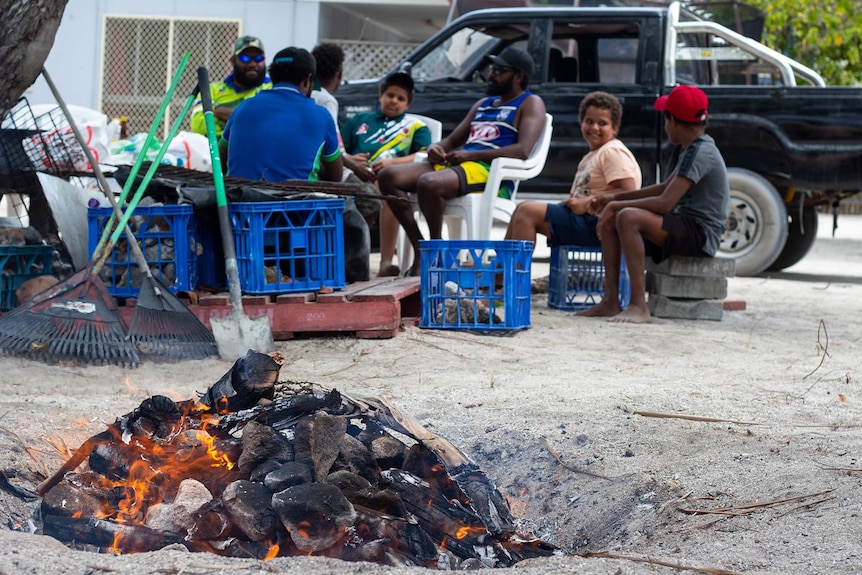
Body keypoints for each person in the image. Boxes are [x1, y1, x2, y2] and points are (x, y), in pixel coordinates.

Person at [377, 46, 547, 276]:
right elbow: (453, 140)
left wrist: (472, 155)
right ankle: (422, 248)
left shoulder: (530, 102)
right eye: (492, 68)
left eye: (499, 70)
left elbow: (523, 150)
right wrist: (437, 148)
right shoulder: (483, 104)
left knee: (429, 183)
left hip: (489, 170)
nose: (492, 74)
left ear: (518, 77)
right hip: (461, 166)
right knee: (388, 177)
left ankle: (436, 252)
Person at [582, 85, 730, 323]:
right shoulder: (690, 148)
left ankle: (639, 306)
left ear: (673, 121)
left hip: (702, 234)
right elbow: (663, 188)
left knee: (628, 217)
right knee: (614, 220)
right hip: (684, 225)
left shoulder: (701, 152)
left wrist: (617, 206)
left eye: (665, 119)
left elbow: (664, 202)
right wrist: (612, 198)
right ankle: (610, 301)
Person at [504, 91, 641, 252]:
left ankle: (513, 275)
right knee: (522, 208)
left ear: (615, 129)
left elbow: (629, 191)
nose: (594, 127)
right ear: (581, 123)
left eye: (602, 123)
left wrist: (587, 202)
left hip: (598, 225)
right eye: (589, 121)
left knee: (527, 212)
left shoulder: (612, 152)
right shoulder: (593, 155)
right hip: (582, 220)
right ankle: (501, 272)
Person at [340, 72, 432, 277]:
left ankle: (386, 262)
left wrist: (392, 163)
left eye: (401, 99)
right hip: (354, 176)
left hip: (388, 179)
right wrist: (352, 160)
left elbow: (425, 155)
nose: (394, 101)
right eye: (390, 95)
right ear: (381, 95)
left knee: (386, 189)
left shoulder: (416, 127)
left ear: (408, 104)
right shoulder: (358, 121)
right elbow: (338, 150)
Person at [219, 46, 342, 182]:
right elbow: (336, 177)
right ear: (308, 80)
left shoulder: (243, 108)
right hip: (297, 201)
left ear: (272, 76)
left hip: (240, 199)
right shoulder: (321, 116)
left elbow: (220, 162)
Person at [190, 35, 272, 139]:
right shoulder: (212, 90)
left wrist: (219, 112)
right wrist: (245, 125)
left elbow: (268, 125)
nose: (252, 64)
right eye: (245, 58)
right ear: (233, 60)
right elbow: (198, 126)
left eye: (258, 58)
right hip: (216, 153)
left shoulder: (272, 89)